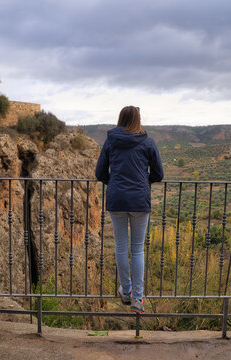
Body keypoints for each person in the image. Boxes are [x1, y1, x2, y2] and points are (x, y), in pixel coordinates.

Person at [95, 106, 164, 313]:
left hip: (116, 199)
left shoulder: (110, 140)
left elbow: (100, 172)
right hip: (139, 201)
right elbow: (158, 174)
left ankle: (125, 291)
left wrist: (115, 183)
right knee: (137, 249)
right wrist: (143, 182)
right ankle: (138, 299)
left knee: (120, 247)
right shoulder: (148, 142)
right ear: (138, 119)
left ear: (121, 118)